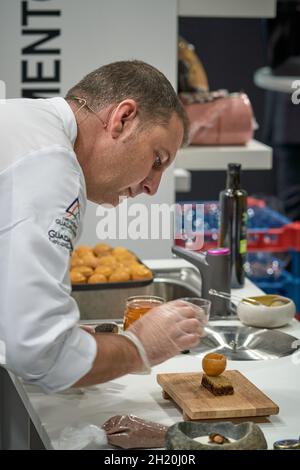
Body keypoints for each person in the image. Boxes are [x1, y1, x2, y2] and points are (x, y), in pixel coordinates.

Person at [0, 60, 206, 393]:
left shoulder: (27, 124)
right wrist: (138, 347)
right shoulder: (50, 165)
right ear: (122, 119)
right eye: (157, 159)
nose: (152, 187)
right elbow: (41, 354)